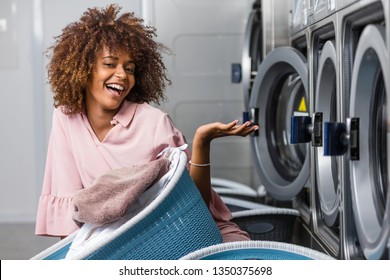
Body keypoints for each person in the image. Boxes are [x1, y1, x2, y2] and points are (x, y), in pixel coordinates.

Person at [35, 4, 258, 243]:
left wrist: (202, 141)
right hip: (125, 244)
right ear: (83, 69)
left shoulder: (153, 122)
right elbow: (70, 210)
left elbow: (196, 206)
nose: (122, 75)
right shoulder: (66, 118)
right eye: (110, 64)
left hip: (187, 233)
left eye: (129, 69)